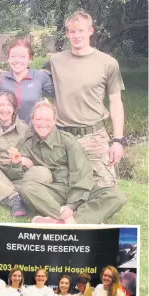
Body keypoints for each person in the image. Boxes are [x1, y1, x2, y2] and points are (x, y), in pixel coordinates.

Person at [49, 10, 126, 188]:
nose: (76, 35)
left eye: (81, 31)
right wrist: (1, 76)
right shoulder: (56, 61)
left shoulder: (108, 63)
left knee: (107, 192)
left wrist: (118, 140)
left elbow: (115, 102)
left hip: (94, 137)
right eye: (72, 31)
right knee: (65, 189)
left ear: (91, 31)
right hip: (63, 136)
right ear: (67, 33)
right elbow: (32, 76)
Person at [18, 100, 126, 224]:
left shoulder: (67, 140)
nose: (43, 123)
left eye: (47, 120)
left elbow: (82, 174)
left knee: (117, 196)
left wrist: (71, 205)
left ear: (54, 121)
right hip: (54, 192)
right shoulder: (29, 144)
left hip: (77, 189)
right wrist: (19, 162)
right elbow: (19, 176)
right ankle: (75, 217)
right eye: (38, 119)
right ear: (32, 120)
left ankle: (68, 220)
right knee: (27, 188)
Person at [0, 38, 54, 123]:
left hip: (32, 132)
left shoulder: (40, 76)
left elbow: (59, 95)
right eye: (13, 56)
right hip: (8, 132)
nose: (17, 60)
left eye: (22, 56)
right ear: (8, 59)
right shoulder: (1, 78)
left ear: (30, 59)